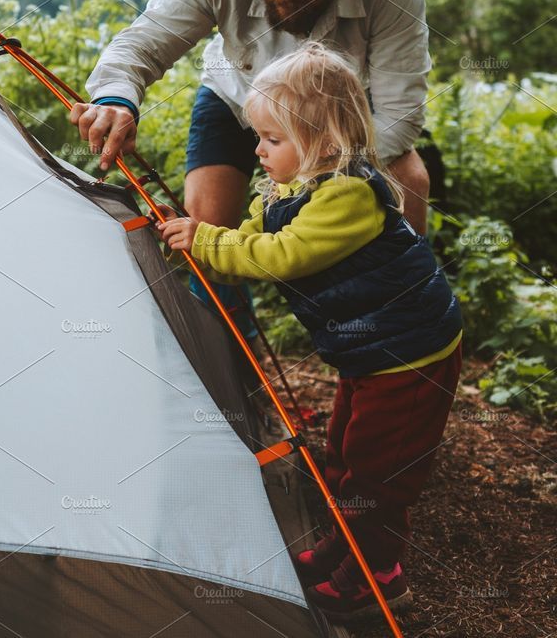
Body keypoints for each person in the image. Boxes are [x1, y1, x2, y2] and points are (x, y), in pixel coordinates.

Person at [155, 41, 463, 622]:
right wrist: (201, 247)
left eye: (273, 140)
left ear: (323, 143)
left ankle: (378, 582)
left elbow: (280, 256)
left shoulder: (345, 194)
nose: (258, 150)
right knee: (344, 451)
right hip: (369, 354)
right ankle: (342, 549)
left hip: (410, 354)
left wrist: (208, 240)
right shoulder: (284, 191)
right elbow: (246, 242)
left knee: (377, 473)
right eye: (258, 137)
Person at [70, 0, 433, 339]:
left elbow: (399, 115)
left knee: (410, 182)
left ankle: (397, 322)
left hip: (333, 127)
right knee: (204, 228)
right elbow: (146, 40)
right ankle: (234, 369)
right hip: (233, 99)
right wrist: (117, 98)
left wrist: (315, 172)